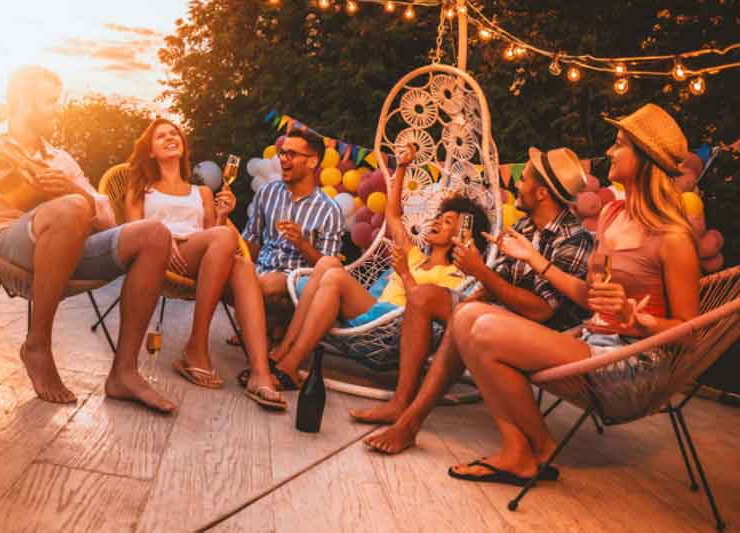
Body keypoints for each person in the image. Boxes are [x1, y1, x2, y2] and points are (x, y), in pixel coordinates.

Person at [445, 103, 699, 485]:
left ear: (645, 158)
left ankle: (539, 448)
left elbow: (689, 332)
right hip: (592, 342)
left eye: (619, 145)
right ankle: (519, 451)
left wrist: (639, 320)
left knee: (484, 331)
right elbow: (586, 296)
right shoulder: (613, 215)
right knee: (465, 317)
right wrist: (533, 258)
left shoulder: (673, 239)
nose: (610, 152)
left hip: (632, 365)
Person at [0, 66, 176, 412]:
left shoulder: (61, 159)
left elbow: (108, 221)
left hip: (70, 246)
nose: (58, 108)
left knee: (155, 234)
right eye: (50, 101)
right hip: (6, 240)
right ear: (22, 103)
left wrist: (70, 189)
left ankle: (124, 372)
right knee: (69, 209)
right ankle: (37, 344)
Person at [361, 146, 594, 452]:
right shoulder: (524, 226)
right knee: (424, 296)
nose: (517, 186)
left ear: (540, 193)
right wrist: (470, 297)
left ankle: (409, 423)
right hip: (501, 311)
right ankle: (400, 402)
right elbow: (497, 281)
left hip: (542, 334)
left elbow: (541, 311)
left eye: (522, 180)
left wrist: (480, 274)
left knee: (465, 318)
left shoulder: (574, 239)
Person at [262, 145, 490, 390]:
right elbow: (393, 215)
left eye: (447, 223)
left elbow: (427, 311)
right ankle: (285, 350)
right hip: (373, 314)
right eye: (439, 217)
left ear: (462, 235)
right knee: (328, 263)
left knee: (335, 277)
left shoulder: (456, 275)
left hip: (394, 328)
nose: (436, 223)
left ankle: (288, 362)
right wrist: (402, 168)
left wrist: (403, 272)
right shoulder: (413, 254)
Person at [124, 118, 286, 409]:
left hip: (203, 260)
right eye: (161, 136)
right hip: (161, 256)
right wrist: (160, 235)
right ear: (150, 151)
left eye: (175, 133)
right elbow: (131, 232)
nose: (171, 137)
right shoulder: (141, 188)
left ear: (184, 145)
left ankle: (260, 372)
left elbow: (214, 233)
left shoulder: (203, 193)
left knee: (243, 266)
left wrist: (223, 214)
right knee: (226, 241)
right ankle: (196, 348)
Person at [241, 130, 344, 343]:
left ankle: (267, 326)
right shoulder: (267, 192)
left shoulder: (329, 210)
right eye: (282, 153)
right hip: (260, 269)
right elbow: (250, 241)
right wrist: (224, 220)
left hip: (293, 277)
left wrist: (302, 243)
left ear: (312, 162)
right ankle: (266, 326)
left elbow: (329, 269)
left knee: (261, 287)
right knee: (226, 273)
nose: (283, 159)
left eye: (291, 154)